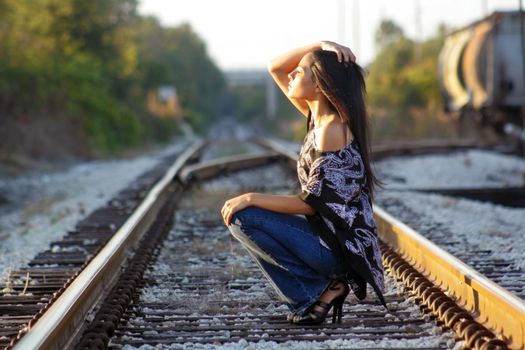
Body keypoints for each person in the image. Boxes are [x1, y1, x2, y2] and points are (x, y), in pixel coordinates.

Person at [220, 41, 386, 325]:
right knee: (244, 215)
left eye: (300, 71)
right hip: (327, 240)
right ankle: (320, 291)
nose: (292, 75)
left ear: (319, 85)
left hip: (340, 249)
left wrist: (250, 197)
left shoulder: (332, 130)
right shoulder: (318, 120)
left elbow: (311, 204)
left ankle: (313, 293)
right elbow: (275, 67)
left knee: (245, 216)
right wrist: (320, 44)